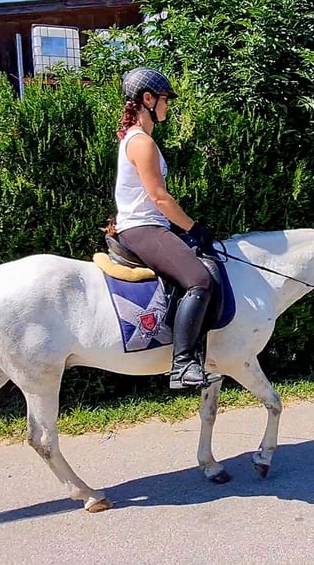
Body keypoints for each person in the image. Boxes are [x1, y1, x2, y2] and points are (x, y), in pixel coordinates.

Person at [112, 66, 222, 390]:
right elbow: (159, 198)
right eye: (164, 100)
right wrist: (195, 228)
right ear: (147, 99)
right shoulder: (142, 143)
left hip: (147, 225)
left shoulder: (140, 140)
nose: (167, 106)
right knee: (200, 280)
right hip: (143, 228)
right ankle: (183, 365)